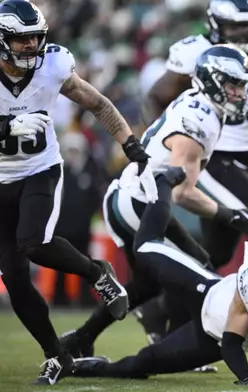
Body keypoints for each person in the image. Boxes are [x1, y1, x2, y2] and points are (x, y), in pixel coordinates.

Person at [58, 44, 248, 371]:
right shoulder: (200, 119)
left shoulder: (204, 108)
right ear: (212, 81)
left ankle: (83, 337)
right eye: (233, 84)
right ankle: (176, 347)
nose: (240, 93)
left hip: (141, 198)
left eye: (241, 85)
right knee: (193, 270)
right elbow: (183, 192)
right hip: (139, 203)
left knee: (161, 279)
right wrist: (229, 213)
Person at [71, 169, 248, 386]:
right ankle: (163, 186)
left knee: (143, 364)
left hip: (211, 338)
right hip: (207, 291)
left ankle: (86, 367)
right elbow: (233, 340)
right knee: (145, 249)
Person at [0, 0, 157, 385]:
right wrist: (6, 128)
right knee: (16, 278)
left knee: (34, 243)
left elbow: (99, 104)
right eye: (22, 40)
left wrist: (130, 144)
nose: (31, 47)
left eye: (36, 38)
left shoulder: (52, 66)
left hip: (39, 171)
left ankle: (96, 273)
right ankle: (58, 355)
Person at [140, 0, 248, 357]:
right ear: (215, 25)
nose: (244, 34)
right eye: (236, 27)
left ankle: (160, 310)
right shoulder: (196, 53)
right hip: (213, 158)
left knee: (214, 254)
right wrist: (168, 146)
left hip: (242, 161)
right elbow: (156, 96)